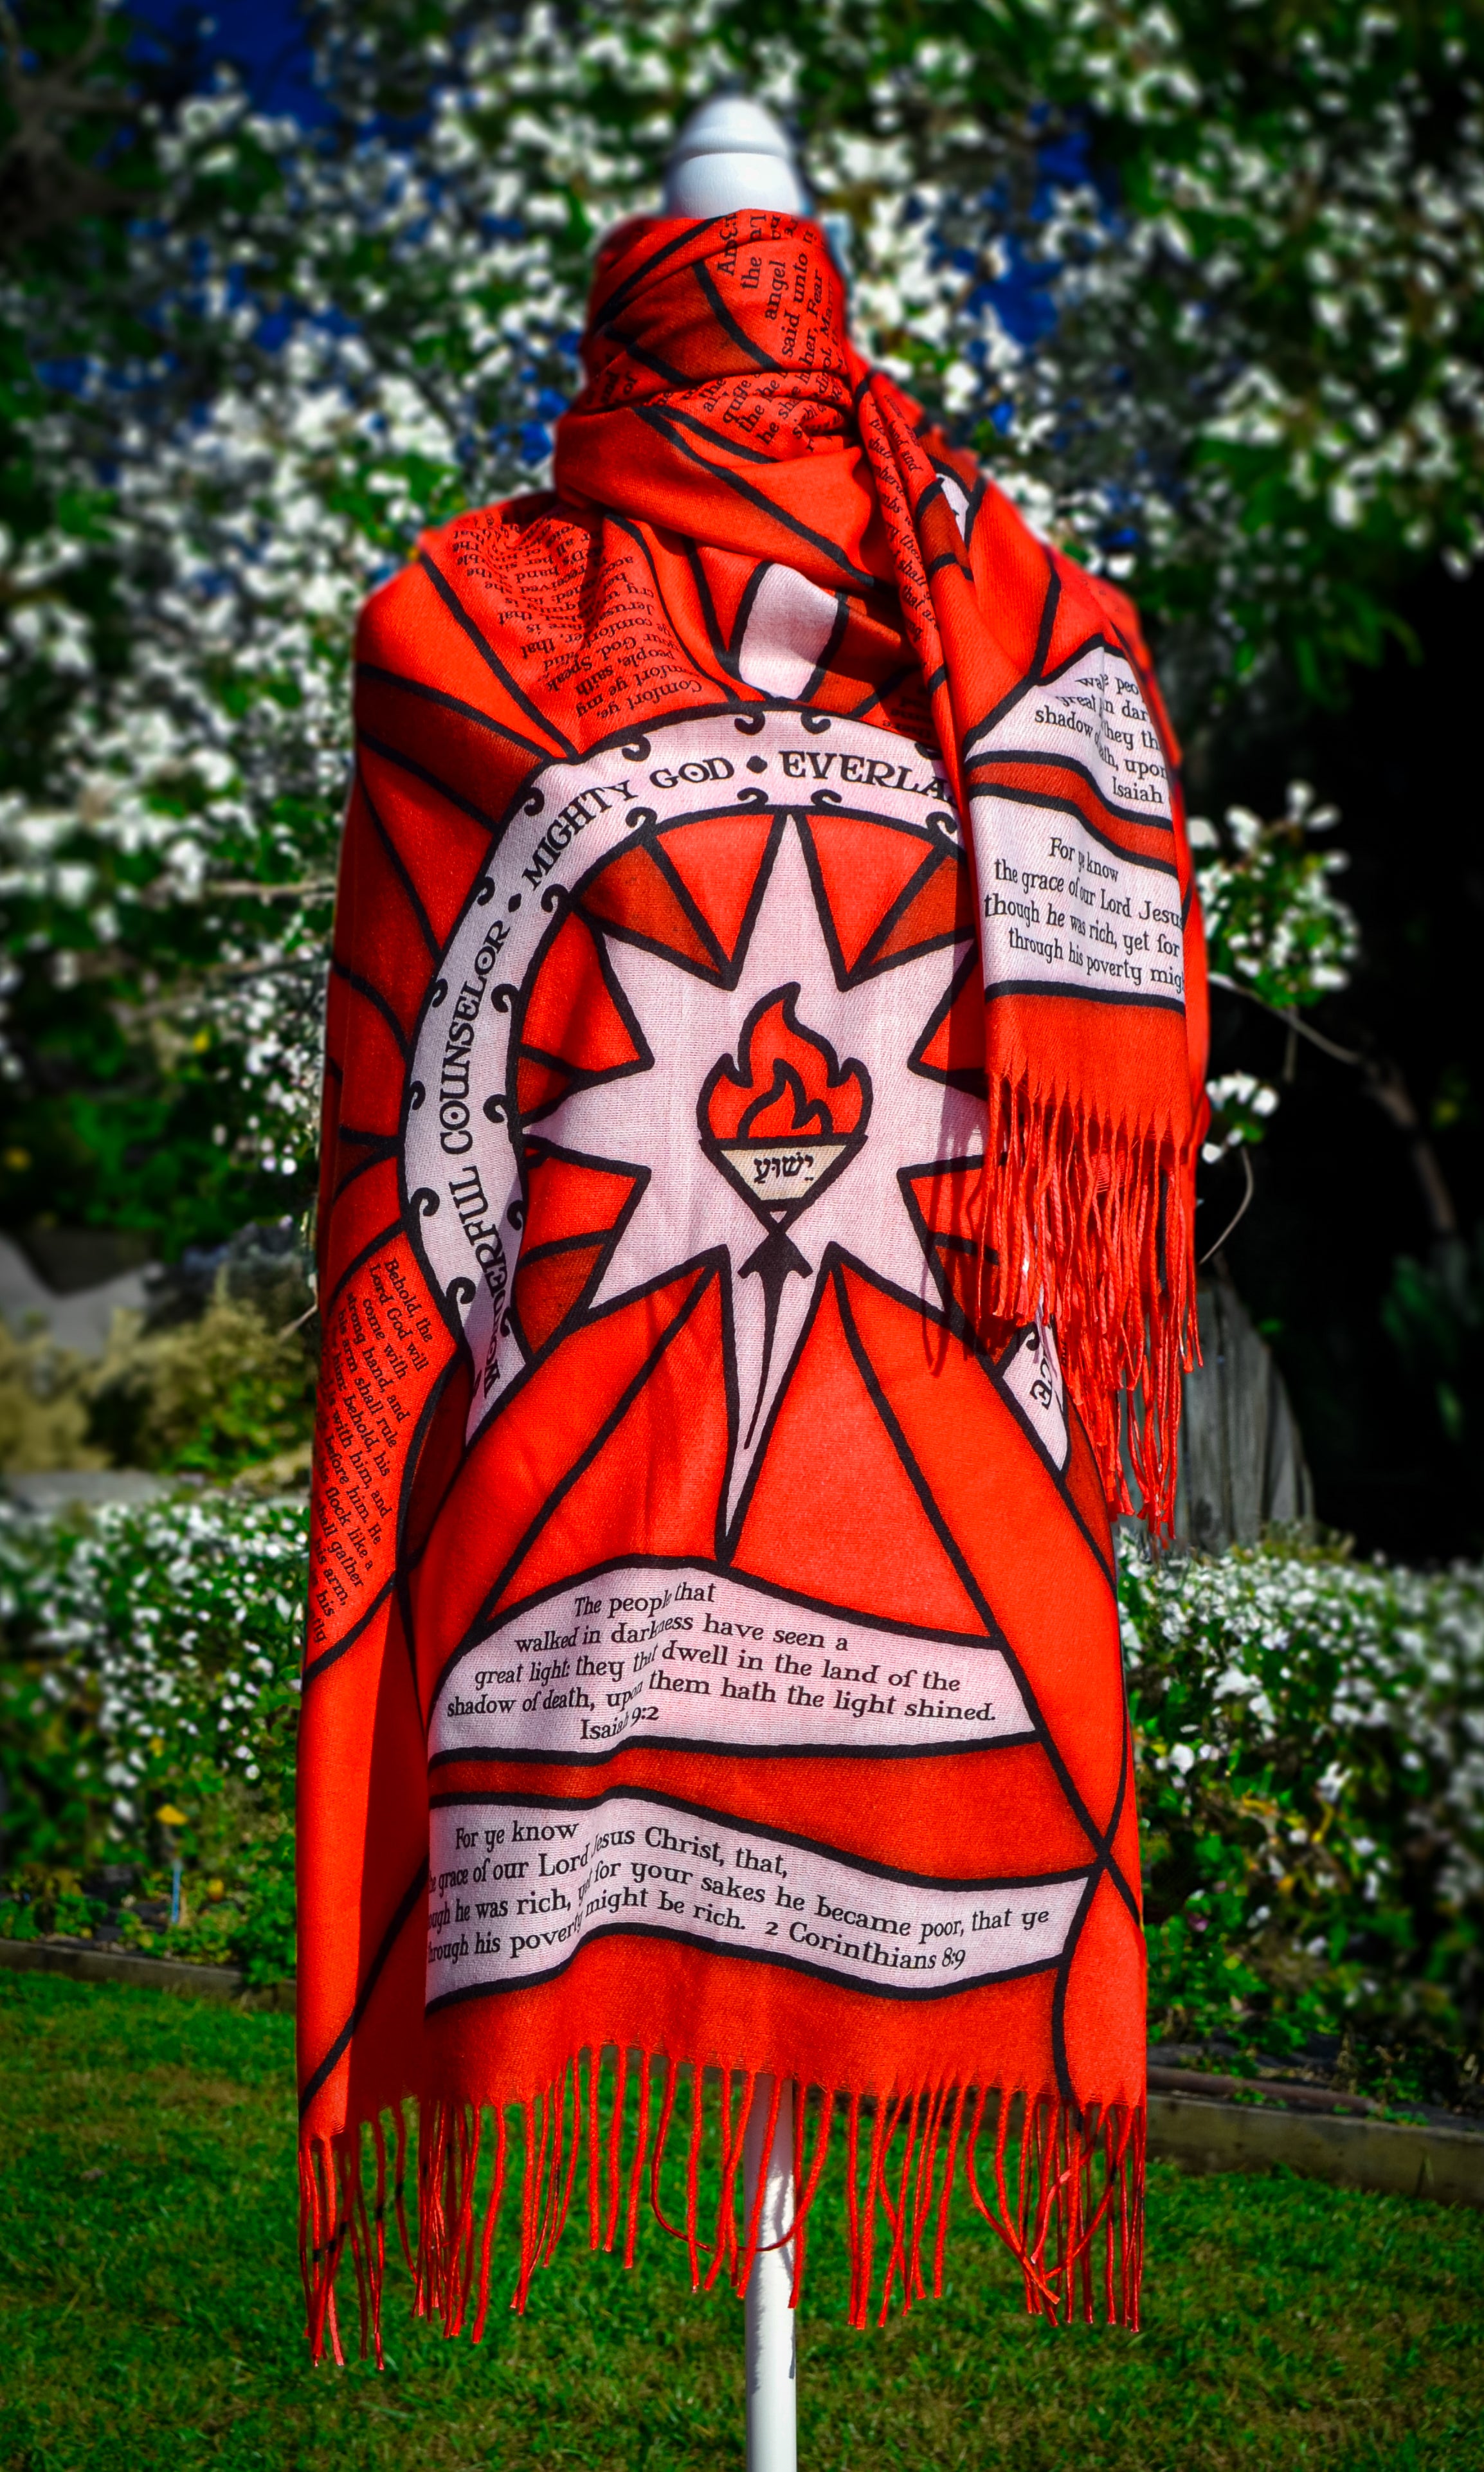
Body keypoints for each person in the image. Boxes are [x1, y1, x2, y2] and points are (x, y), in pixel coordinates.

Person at [296, 94, 1208, 2361]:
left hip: (939, 1564)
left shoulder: (1023, 638)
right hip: (582, 1569)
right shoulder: (461, 633)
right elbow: (413, 1142)